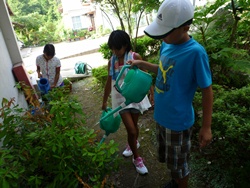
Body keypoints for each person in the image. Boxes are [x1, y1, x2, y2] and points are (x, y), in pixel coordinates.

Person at [128, 0, 213, 187]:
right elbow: (163, 70)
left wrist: (206, 127)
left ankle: (181, 183)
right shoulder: (167, 45)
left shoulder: (195, 53)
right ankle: (175, 181)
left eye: (166, 32)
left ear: (185, 27)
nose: (162, 36)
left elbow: (207, 90)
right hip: (161, 117)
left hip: (178, 122)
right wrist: (142, 64)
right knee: (171, 160)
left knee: (180, 165)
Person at [102, 30, 153, 175]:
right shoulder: (111, 61)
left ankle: (131, 144)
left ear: (125, 45)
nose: (114, 51)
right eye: (112, 48)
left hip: (135, 96)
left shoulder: (134, 57)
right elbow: (108, 82)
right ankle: (137, 158)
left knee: (135, 127)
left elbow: (145, 75)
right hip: (120, 99)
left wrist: (151, 92)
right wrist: (104, 101)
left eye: (117, 48)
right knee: (131, 129)